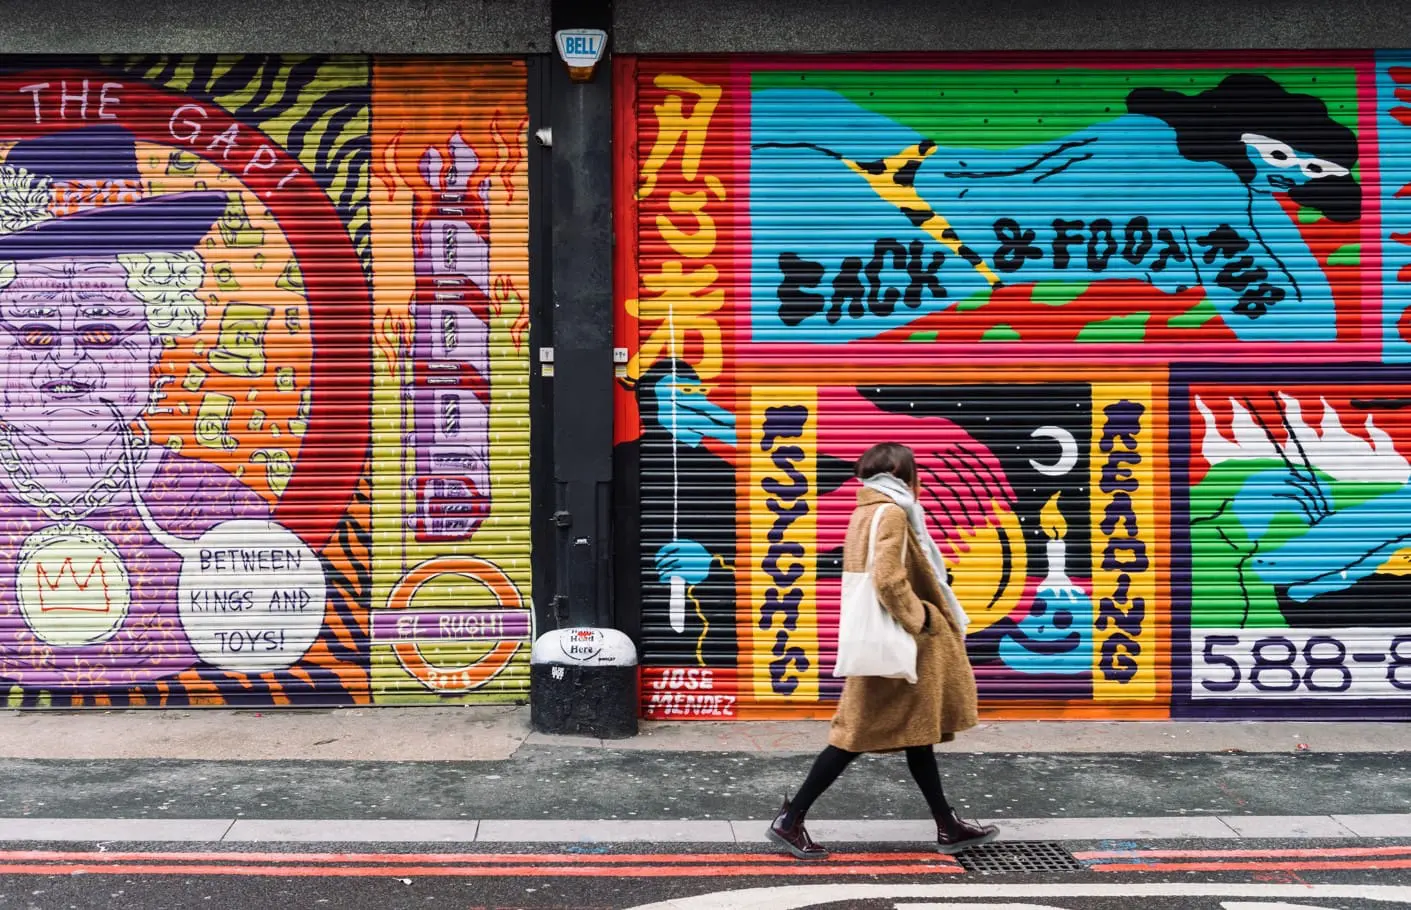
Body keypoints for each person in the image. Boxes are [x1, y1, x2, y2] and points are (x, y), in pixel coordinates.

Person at [0, 124, 271, 689]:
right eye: (33, 333)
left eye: (100, 331)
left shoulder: (217, 508)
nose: (67, 364)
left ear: (154, 341)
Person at [768, 442, 999, 859]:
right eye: (913, 472)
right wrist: (921, 618)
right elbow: (888, 579)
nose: (918, 480)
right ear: (900, 473)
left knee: (918, 735)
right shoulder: (892, 511)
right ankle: (790, 819)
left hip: (884, 640)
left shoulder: (865, 510)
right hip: (899, 641)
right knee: (852, 735)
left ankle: (947, 825)